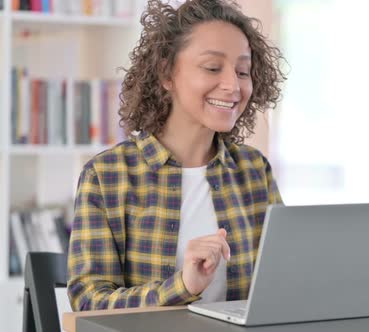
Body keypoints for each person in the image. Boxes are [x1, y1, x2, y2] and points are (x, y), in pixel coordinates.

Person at [67, 0, 286, 311]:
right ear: (166, 74)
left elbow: (282, 281)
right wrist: (182, 286)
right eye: (212, 67)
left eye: (242, 71)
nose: (232, 85)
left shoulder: (253, 170)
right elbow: (88, 301)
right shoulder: (107, 175)